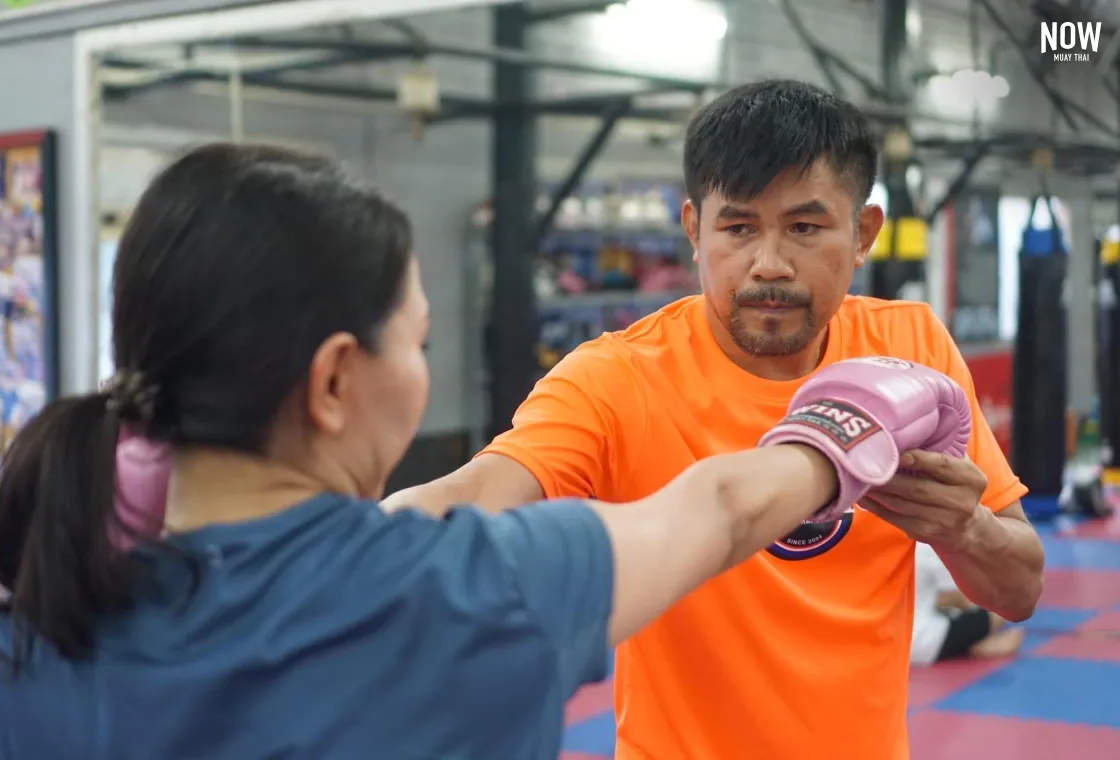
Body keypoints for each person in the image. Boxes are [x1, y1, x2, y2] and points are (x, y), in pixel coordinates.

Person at [0, 143, 966, 760]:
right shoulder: (478, 591)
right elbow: (718, 510)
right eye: (419, 339)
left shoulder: (10, 645)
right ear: (335, 380)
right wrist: (847, 431)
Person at [384, 79, 1046, 760]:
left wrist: (964, 529)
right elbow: (479, 492)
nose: (768, 264)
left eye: (805, 227)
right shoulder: (618, 377)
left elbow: (1021, 588)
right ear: (695, 230)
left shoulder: (910, 350)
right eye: (738, 227)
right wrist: (340, 553)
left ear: (862, 234)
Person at [912, 542, 1025, 665]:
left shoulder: (893, 542)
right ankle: (971, 645)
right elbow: (957, 598)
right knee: (1000, 613)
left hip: (892, 642)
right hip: (921, 643)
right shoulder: (927, 547)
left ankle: (971, 643)